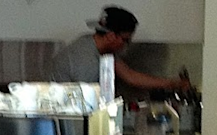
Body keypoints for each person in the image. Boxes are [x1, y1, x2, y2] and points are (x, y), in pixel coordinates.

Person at [49, 6, 190, 92]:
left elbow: (130, 76)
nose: (126, 45)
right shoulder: (85, 60)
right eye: (126, 40)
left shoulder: (100, 48)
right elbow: (85, 102)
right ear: (111, 36)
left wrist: (173, 83)